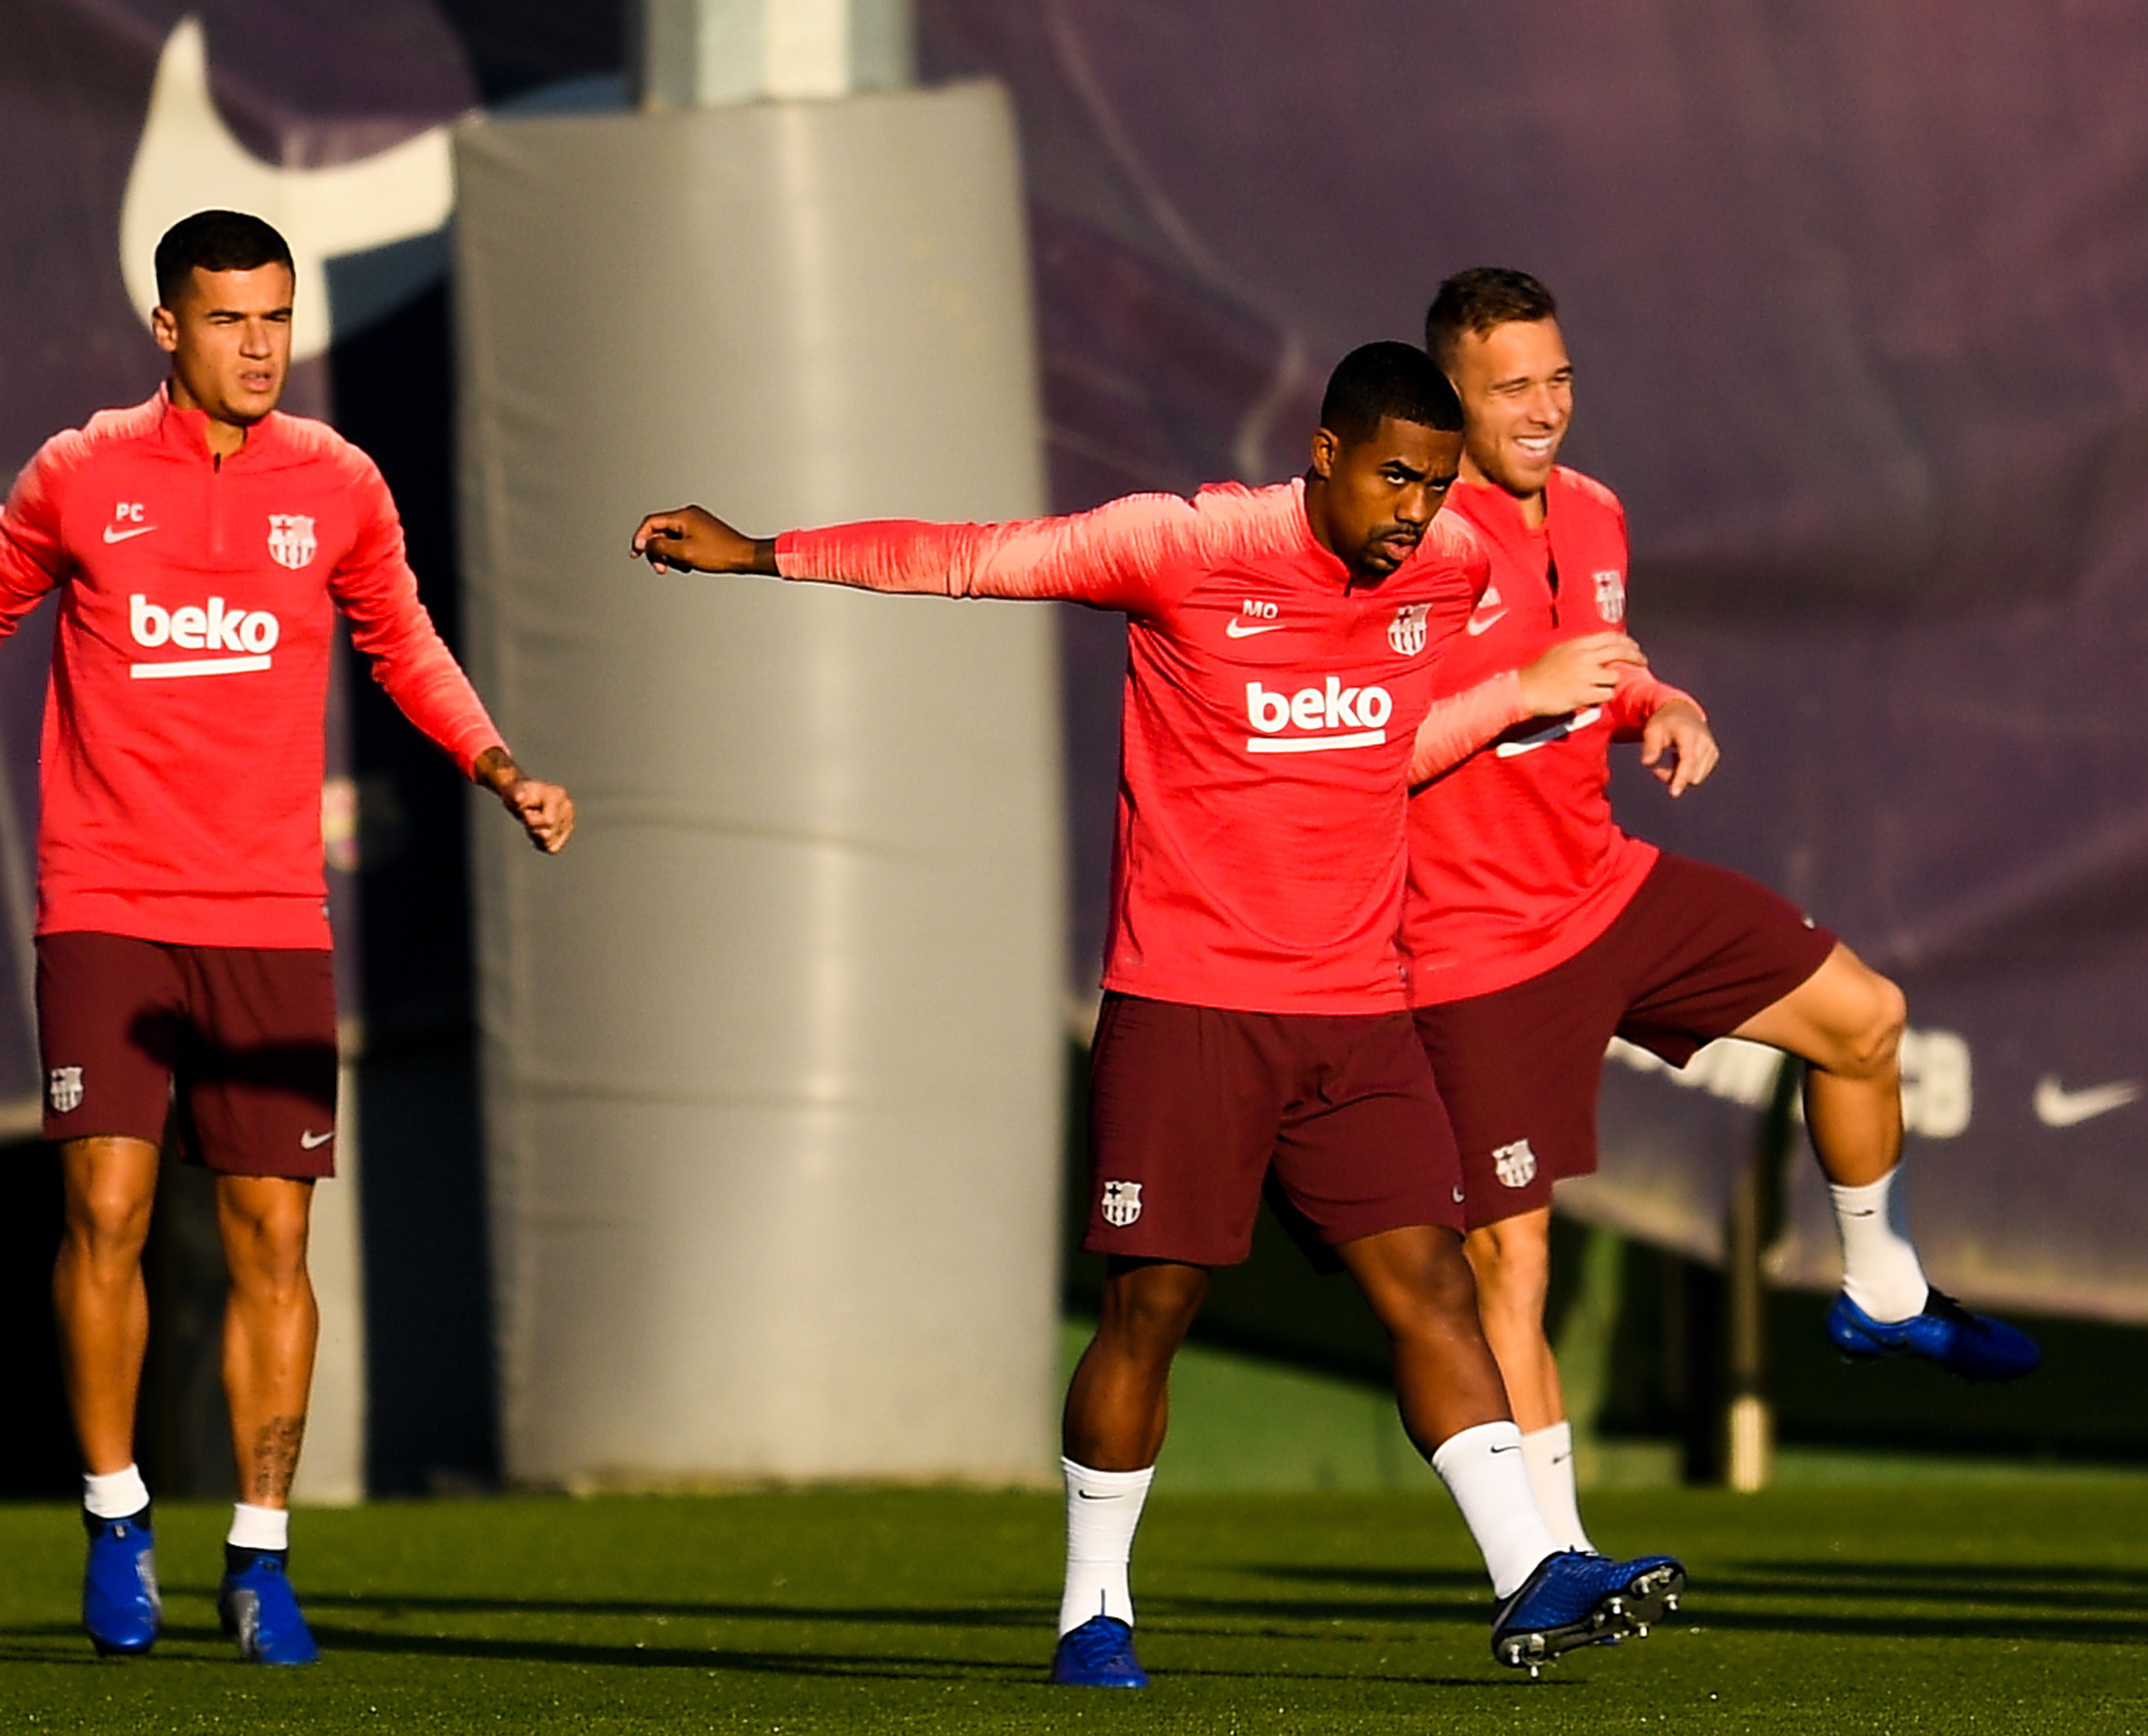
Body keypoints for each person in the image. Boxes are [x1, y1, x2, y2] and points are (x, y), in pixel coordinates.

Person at [630, 343, 1684, 1684]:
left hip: (1358, 1010)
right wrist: (762, 552)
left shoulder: (1452, 566)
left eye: (1434, 484)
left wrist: (1605, 699)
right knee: (1152, 1309)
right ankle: (1093, 1610)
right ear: (1326, 453)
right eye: (1393, 478)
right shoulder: (1183, 547)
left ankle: (1531, 1569)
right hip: (1192, 1003)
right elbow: (973, 557)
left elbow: (1389, 742)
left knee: (1432, 1284)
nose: (1415, 510)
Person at [0, 210, 574, 1664]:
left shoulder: (336, 483)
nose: (260, 346)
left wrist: (499, 764)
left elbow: (403, 638)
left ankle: (261, 1557)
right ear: (168, 327)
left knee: (275, 1235)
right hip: (109, 901)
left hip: (270, 917)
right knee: (108, 1212)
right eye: (228, 319)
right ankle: (115, 1515)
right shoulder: (81, 473)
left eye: (276, 317)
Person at [1406, 267, 2037, 1550]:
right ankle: (1556, 1564)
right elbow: (1369, 743)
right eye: (1511, 388)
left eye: (1559, 379)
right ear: (1450, 399)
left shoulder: (1595, 512)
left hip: (1607, 888)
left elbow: (1604, 670)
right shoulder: (1406, 543)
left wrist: (1663, 705)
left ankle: (1882, 1289)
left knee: (1865, 1017)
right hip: (1476, 946)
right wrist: (1525, 690)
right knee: (1512, 1269)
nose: (1545, 409)